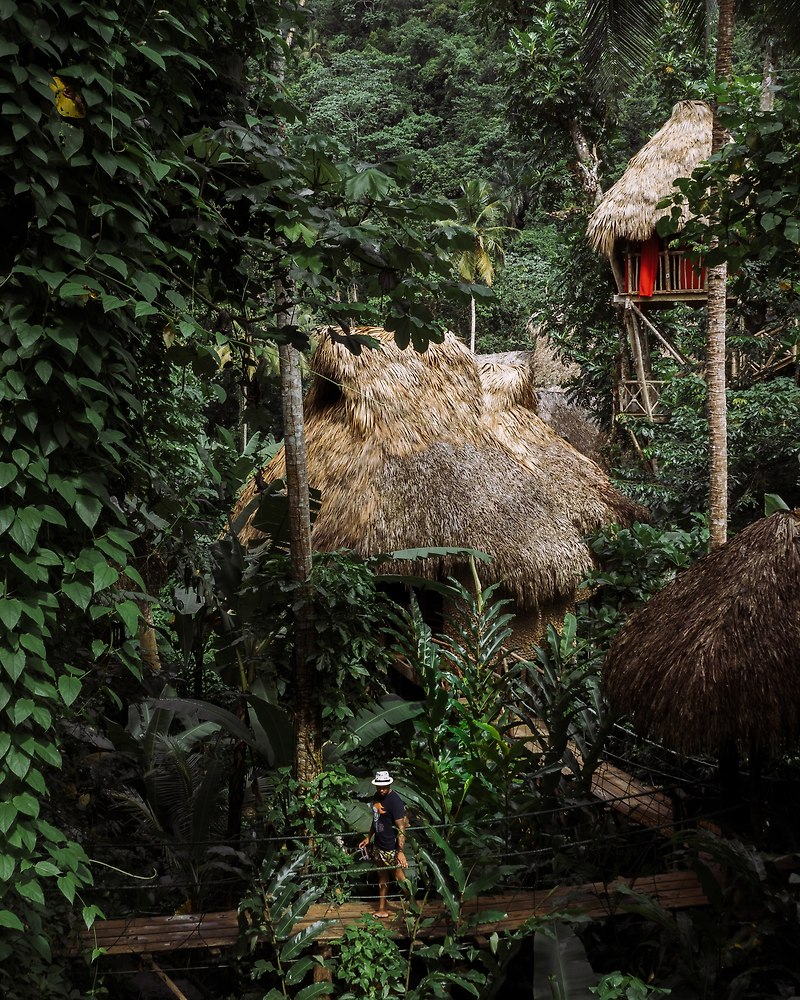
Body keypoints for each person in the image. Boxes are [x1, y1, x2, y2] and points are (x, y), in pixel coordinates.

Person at [358, 769, 408, 918]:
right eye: (379, 786)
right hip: (379, 845)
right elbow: (375, 820)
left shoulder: (395, 801)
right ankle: (382, 908)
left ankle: (413, 905)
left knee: (399, 877)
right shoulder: (376, 797)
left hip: (391, 847)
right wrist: (369, 837)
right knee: (382, 876)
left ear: (389, 784)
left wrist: (400, 851)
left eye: (384, 786)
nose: (382, 789)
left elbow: (401, 828)